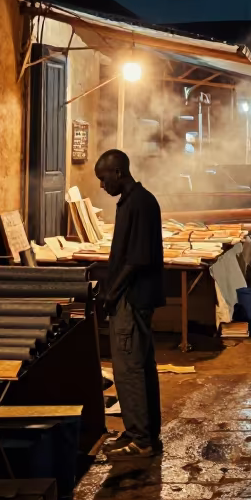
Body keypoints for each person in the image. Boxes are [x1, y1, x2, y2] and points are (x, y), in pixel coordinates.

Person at [95, 149, 164, 459]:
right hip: (137, 297)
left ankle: (141, 440)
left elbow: (135, 260)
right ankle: (143, 431)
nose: (101, 185)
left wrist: (111, 293)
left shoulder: (138, 203)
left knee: (129, 370)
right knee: (141, 367)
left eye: (103, 178)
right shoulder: (136, 201)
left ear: (118, 172)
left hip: (132, 298)